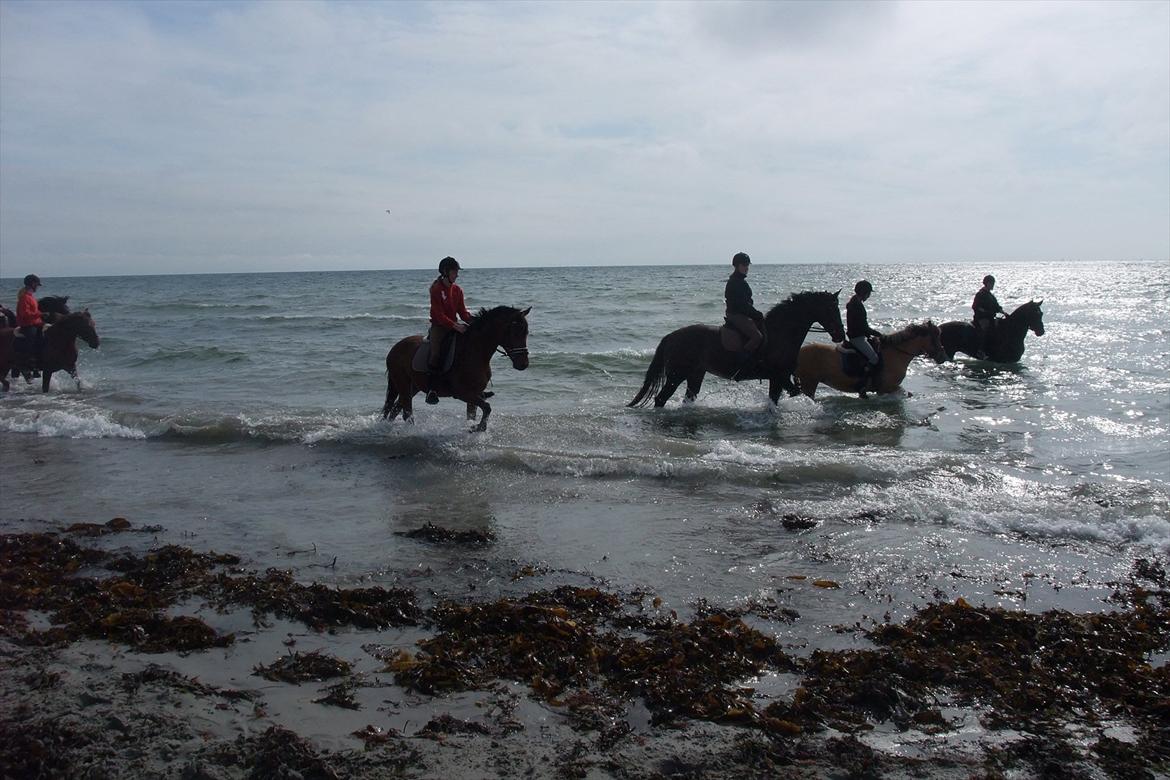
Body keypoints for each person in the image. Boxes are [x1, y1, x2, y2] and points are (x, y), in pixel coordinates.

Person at [425, 256, 473, 404]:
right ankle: (432, 390)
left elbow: (463, 312)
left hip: (454, 326)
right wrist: (455, 326)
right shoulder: (436, 289)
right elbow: (438, 315)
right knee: (436, 353)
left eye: (457, 272)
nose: (457, 275)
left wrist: (475, 322)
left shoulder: (458, 290)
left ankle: (473, 385)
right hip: (439, 327)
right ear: (445, 272)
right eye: (454, 272)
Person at [724, 252, 765, 375]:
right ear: (737, 266)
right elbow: (742, 305)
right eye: (744, 265)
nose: (747, 267)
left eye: (748, 265)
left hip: (741, 313)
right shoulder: (735, 282)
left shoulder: (739, 280)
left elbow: (746, 304)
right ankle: (741, 364)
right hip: (736, 315)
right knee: (757, 336)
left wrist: (755, 313)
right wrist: (756, 314)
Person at [846, 280, 881, 398]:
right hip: (857, 338)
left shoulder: (854, 302)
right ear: (864, 292)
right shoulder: (857, 305)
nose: (869, 296)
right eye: (868, 293)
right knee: (874, 358)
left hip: (858, 336)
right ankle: (861, 386)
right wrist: (877, 334)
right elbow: (863, 326)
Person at [16, 274, 45, 372]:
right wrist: (39, 315)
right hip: (27, 325)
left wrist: (42, 318)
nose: (37, 287)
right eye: (37, 285)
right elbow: (25, 314)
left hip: (35, 323)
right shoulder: (24, 298)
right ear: (33, 284)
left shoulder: (31, 297)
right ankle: (29, 363)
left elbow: (34, 314)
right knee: (32, 339)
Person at [971, 274, 1003, 359]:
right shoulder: (980, 294)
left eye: (993, 283)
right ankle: (980, 351)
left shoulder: (991, 296)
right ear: (987, 283)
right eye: (991, 283)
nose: (993, 285)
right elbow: (975, 306)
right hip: (981, 318)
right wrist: (985, 312)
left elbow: (996, 306)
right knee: (986, 329)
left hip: (990, 318)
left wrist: (1001, 310)